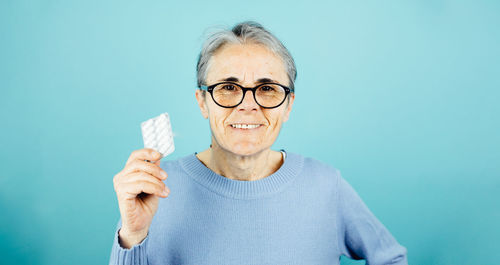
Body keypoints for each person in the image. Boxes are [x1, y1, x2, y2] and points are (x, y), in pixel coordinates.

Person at [109, 21, 408, 265]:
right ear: (202, 102)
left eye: (266, 88)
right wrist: (133, 236)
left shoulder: (326, 186)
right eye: (228, 87)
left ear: (288, 105)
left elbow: (391, 258)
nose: (248, 105)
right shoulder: (155, 189)